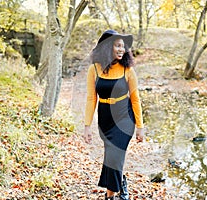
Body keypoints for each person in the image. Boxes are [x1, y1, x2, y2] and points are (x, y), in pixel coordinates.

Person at [83, 30, 144, 200]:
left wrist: (140, 127)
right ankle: (121, 182)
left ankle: (110, 196)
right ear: (107, 47)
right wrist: (87, 126)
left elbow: (135, 100)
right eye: (117, 45)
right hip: (105, 119)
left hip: (125, 118)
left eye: (123, 46)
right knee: (111, 157)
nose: (121, 49)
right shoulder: (94, 69)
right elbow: (90, 98)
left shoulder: (128, 70)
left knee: (115, 155)